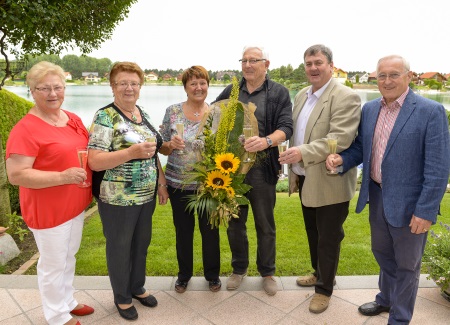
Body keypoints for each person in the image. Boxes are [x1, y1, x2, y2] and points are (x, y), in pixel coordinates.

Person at [326, 55, 450, 324]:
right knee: (383, 254)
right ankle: (386, 299)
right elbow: (362, 147)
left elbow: (438, 168)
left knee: (407, 265)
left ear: (409, 76)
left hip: (412, 204)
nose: (387, 80)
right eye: (382, 75)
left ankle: (400, 318)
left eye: (394, 74)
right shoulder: (370, 109)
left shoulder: (430, 111)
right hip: (378, 196)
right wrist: (342, 160)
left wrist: (426, 211)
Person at [5, 61, 94, 325]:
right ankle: (56, 316)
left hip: (75, 203)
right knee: (53, 263)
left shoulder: (71, 119)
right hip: (48, 208)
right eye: (44, 88)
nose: (52, 93)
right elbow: (17, 174)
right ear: (32, 91)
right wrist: (62, 176)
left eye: (57, 87)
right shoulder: (25, 129)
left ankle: (67, 301)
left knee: (68, 256)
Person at [279, 44, 361, 313]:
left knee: (328, 237)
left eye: (318, 63)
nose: (313, 68)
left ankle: (324, 290)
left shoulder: (346, 96)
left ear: (331, 66)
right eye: (308, 63)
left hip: (330, 181)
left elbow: (339, 138)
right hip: (305, 178)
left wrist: (300, 152)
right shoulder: (303, 94)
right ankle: (320, 273)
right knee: (313, 232)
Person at [87, 61, 169, 321]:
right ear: (112, 86)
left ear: (140, 87)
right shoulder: (105, 116)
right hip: (117, 198)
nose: (129, 88)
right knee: (120, 247)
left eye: (134, 83)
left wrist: (161, 182)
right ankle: (122, 297)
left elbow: (153, 151)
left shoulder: (141, 113)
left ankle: (137, 287)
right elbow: (94, 160)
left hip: (145, 196)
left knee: (140, 245)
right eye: (122, 83)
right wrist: (129, 153)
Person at [214, 45, 293, 296]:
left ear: (266, 64)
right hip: (233, 169)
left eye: (254, 60)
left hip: (262, 168)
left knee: (264, 223)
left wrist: (267, 141)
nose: (248, 65)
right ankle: (239, 269)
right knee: (235, 223)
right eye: (244, 60)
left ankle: (267, 272)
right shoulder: (232, 90)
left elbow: (286, 127)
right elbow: (214, 118)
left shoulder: (279, 92)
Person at [159, 65, 221, 293]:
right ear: (185, 87)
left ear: (208, 85)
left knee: (210, 232)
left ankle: (212, 275)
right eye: (193, 83)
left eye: (202, 82)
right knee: (183, 232)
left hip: (209, 185)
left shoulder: (216, 113)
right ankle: (184, 276)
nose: (198, 87)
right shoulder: (172, 112)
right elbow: (162, 148)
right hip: (178, 184)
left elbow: (223, 148)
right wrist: (169, 145)